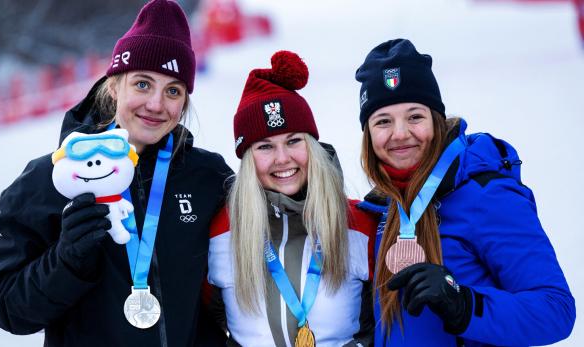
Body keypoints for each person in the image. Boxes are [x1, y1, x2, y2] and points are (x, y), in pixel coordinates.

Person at [0, 0, 232, 346]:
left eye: (173, 90)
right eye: (142, 84)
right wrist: (65, 261)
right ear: (114, 86)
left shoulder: (208, 177)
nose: (157, 104)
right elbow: (5, 307)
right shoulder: (48, 180)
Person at [354, 38, 576, 346]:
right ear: (368, 135)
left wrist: (465, 304)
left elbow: (555, 310)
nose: (400, 133)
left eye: (415, 116)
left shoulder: (487, 195)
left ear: (436, 120)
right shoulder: (383, 208)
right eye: (383, 121)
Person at [206, 51, 377, 346]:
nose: (282, 159)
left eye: (294, 141)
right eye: (264, 146)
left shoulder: (359, 223)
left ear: (312, 146)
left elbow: (380, 325)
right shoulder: (220, 229)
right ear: (247, 159)